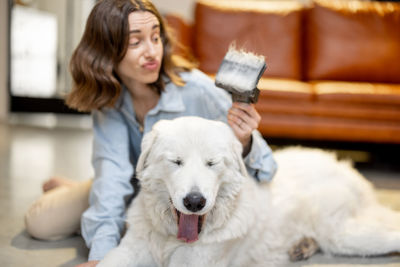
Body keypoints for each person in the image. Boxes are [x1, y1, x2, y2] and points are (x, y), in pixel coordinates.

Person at [24, 0, 277, 266]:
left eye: (155, 37)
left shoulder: (200, 92)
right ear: (106, 51)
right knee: (40, 223)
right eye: (136, 43)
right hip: (133, 186)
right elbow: (112, 179)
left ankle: (79, 193)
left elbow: (268, 168)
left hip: (167, 195)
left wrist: (245, 140)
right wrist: (101, 256)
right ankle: (78, 190)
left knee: (139, 227)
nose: (152, 51)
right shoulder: (109, 102)